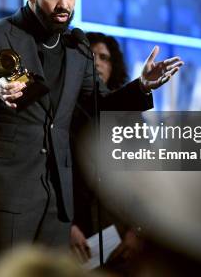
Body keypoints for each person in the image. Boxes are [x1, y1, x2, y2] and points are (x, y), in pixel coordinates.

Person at [0, 0, 183, 268]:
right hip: (7, 191)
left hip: (57, 197)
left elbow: (98, 106)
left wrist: (141, 86)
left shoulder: (78, 47)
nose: (64, 4)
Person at [69, 32, 141, 264]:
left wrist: (136, 232)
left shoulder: (131, 117)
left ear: (114, 67)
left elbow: (149, 180)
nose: (96, 62)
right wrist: (65, 228)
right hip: (70, 237)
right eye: (89, 55)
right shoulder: (59, 113)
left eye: (104, 57)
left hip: (119, 238)